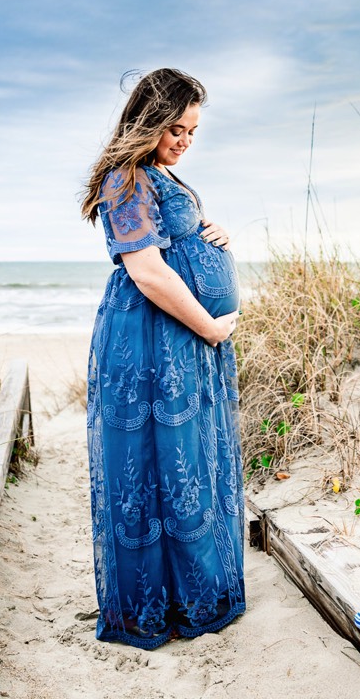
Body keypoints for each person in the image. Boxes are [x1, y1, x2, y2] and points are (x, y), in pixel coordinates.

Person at [80, 68, 244, 649]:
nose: (183, 141)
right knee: (156, 467)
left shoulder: (156, 175)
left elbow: (173, 240)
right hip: (155, 337)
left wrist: (208, 232)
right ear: (147, 120)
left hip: (181, 339)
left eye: (193, 131)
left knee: (188, 463)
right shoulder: (125, 179)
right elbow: (147, 271)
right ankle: (160, 609)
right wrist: (210, 328)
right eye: (175, 128)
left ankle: (193, 593)